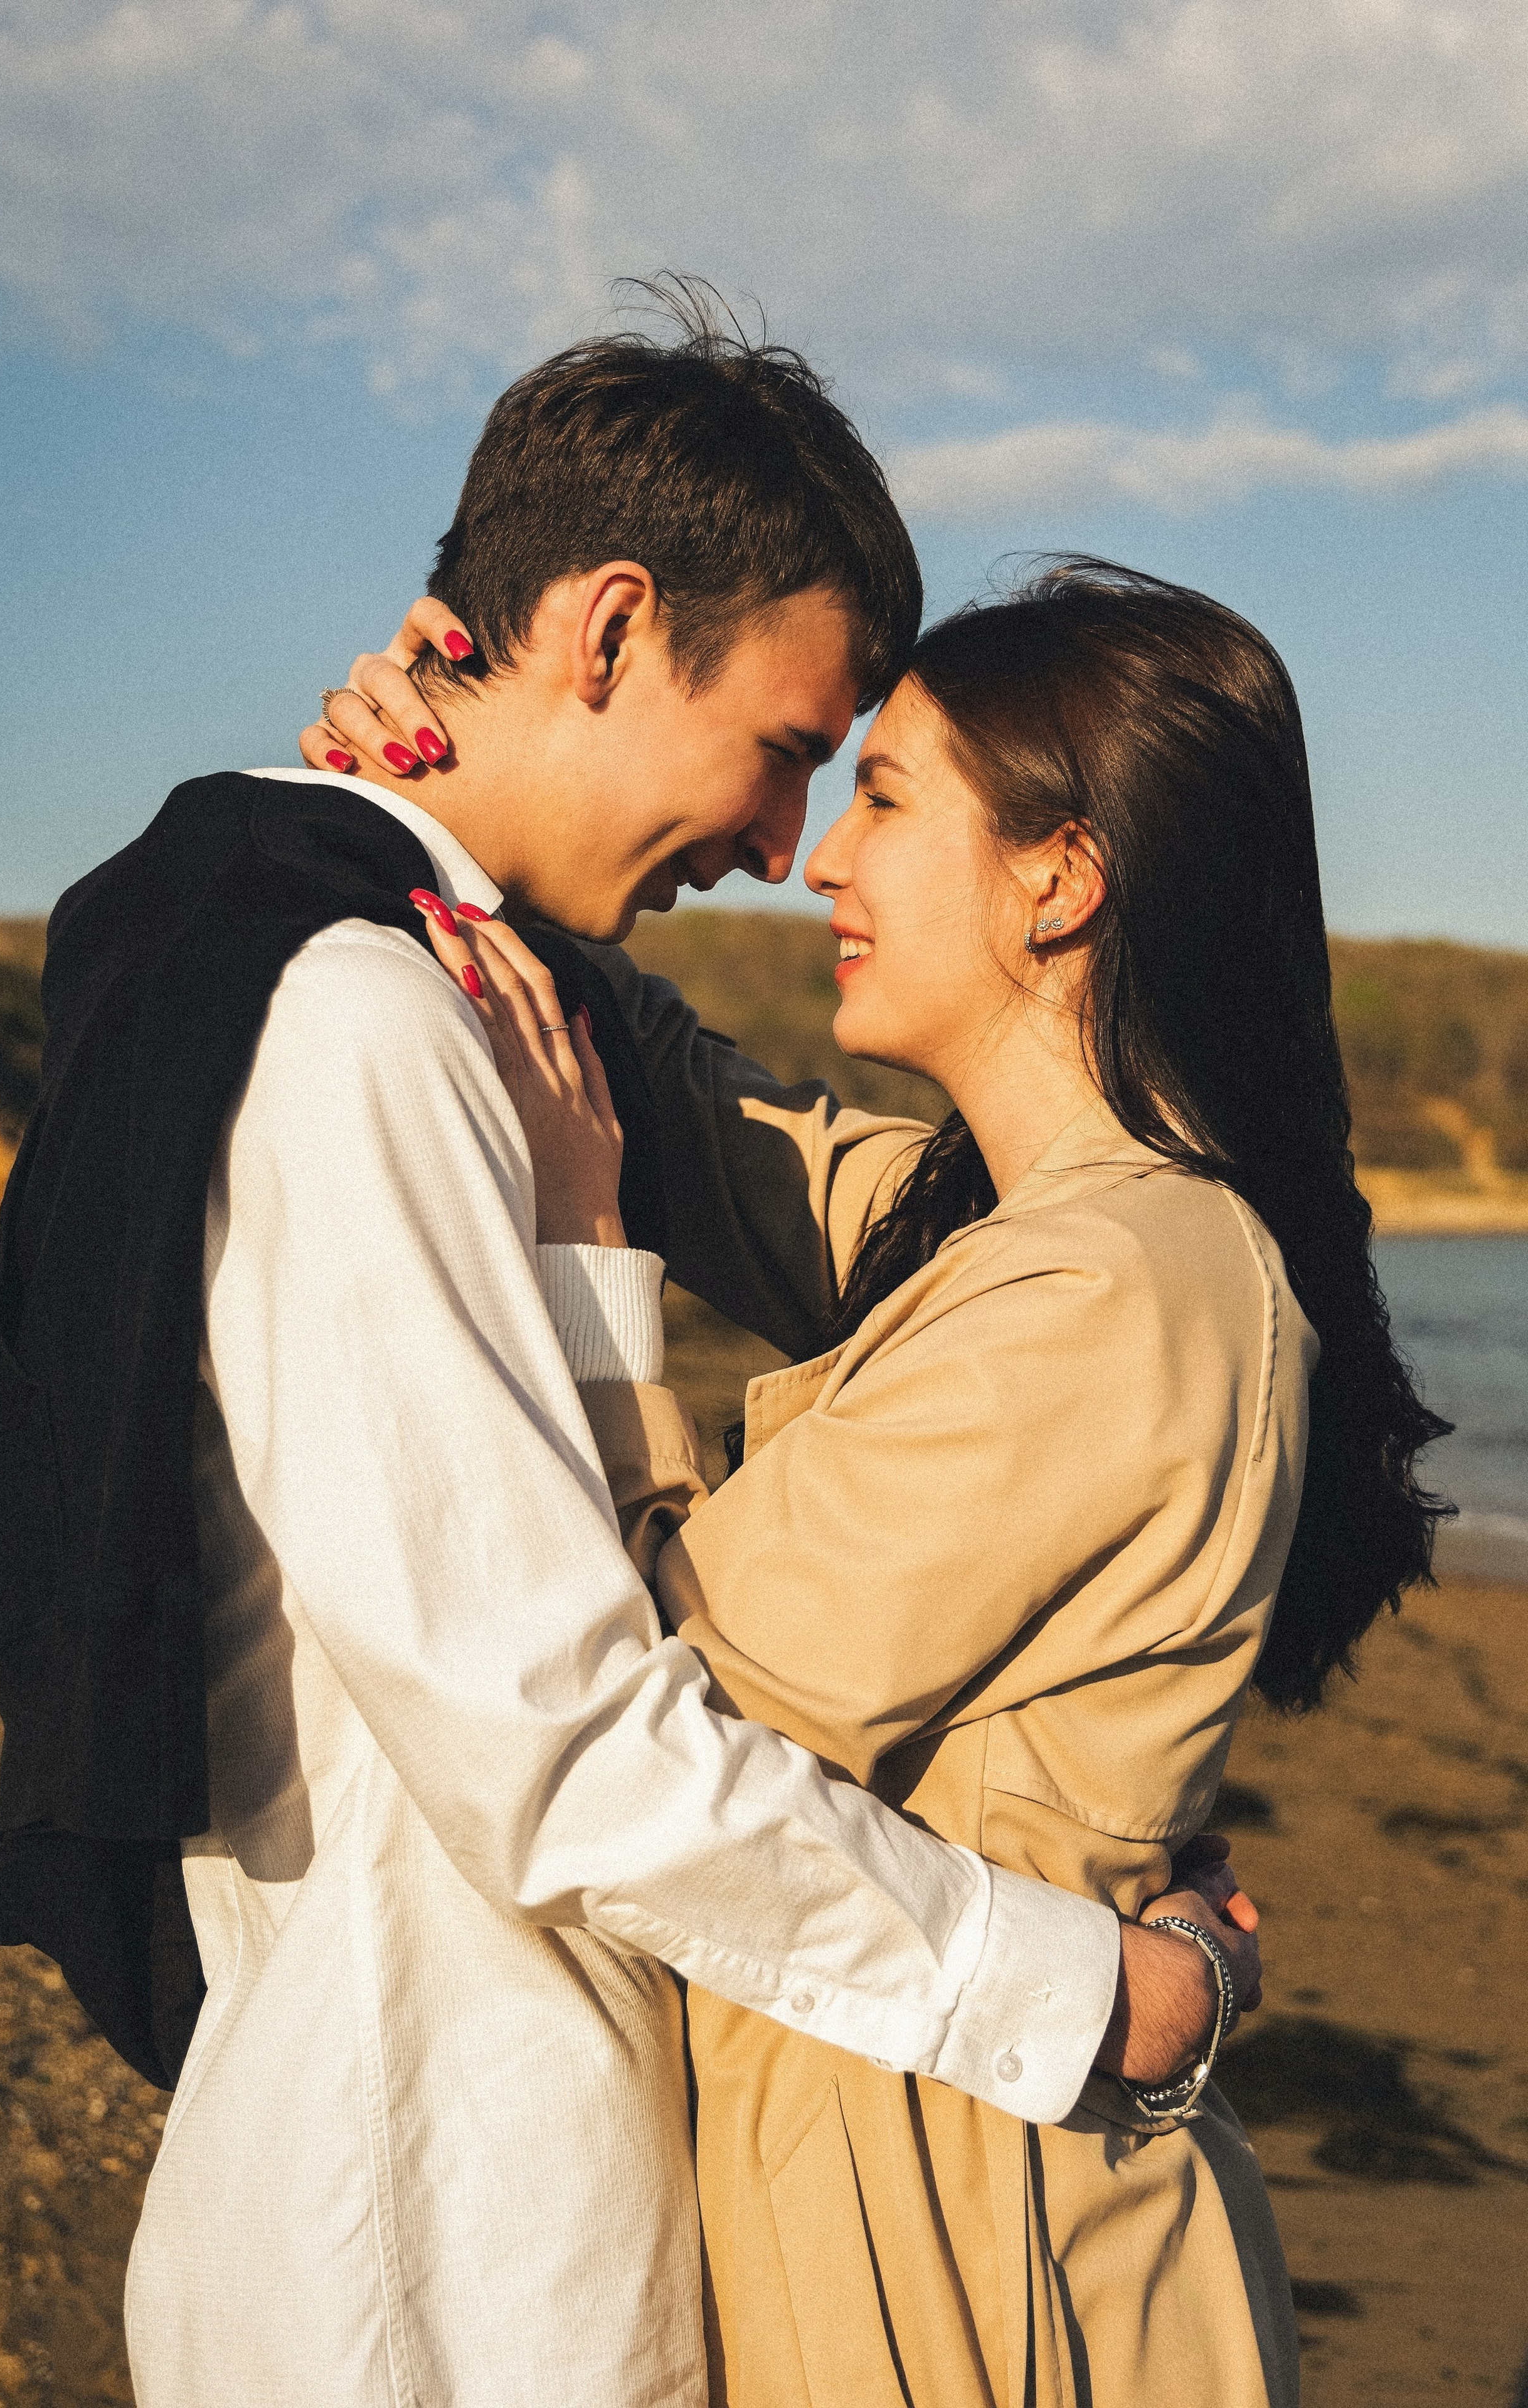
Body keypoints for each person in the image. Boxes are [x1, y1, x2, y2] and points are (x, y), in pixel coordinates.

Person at [0, 309, 1241, 2408]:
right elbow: (553, 1736)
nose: (783, 846)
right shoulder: (362, 1021)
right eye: (791, 749)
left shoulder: (358, 965)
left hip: (463, 2171)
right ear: (615, 627)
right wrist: (1083, 1987)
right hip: (448, 2236)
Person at [373, 560, 1450, 2405]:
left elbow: (647, 1702)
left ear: (1059, 877)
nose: (818, 863)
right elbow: (700, 1111)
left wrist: (586, 1260)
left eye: (881, 797)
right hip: (923, 2180)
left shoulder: (1123, 1285)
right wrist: (457, 791)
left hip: (970, 2252)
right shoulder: (1008, 1233)